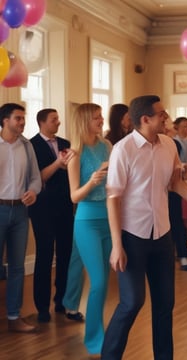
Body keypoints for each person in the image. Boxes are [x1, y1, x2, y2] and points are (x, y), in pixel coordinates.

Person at [101, 95, 187, 359]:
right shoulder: (123, 150)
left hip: (162, 234)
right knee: (131, 302)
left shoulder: (169, 145)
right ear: (145, 119)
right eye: (161, 114)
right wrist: (117, 246)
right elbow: (113, 198)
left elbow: (174, 183)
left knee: (165, 305)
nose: (167, 117)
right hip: (131, 237)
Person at [63, 103, 112, 356]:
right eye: (96, 117)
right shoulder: (75, 153)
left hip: (110, 219)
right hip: (87, 221)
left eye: (101, 116)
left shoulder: (107, 147)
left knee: (104, 282)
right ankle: (95, 339)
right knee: (100, 282)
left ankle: (100, 332)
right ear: (84, 121)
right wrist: (93, 180)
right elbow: (74, 196)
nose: (101, 120)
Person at [28, 108, 75, 323]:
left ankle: (62, 300)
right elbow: (39, 178)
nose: (58, 122)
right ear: (42, 122)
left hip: (65, 206)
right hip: (43, 209)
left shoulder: (65, 142)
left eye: (58, 118)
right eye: (54, 119)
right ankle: (42, 306)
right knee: (45, 256)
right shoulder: (32, 145)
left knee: (66, 254)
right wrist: (58, 163)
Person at [0, 103, 42, 333]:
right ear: (5, 120)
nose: (22, 122)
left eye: (23, 118)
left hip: (20, 212)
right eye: (18, 118)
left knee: (17, 267)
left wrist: (33, 191)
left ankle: (14, 317)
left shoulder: (26, 146)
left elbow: (35, 178)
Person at [165, 114, 187, 271]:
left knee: (176, 223)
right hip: (160, 193)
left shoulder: (175, 144)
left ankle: (183, 257)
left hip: (175, 189)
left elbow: (181, 171)